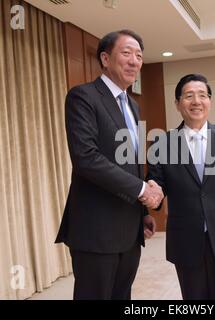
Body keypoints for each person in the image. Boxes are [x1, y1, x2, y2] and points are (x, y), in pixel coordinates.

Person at [55, 30, 163, 300]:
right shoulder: (83, 97)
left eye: (139, 55)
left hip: (128, 230)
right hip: (96, 229)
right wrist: (142, 190)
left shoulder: (134, 107)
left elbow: (132, 163)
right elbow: (86, 158)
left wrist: (142, 214)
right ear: (105, 58)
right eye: (126, 53)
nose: (134, 61)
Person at [145, 74, 215, 300]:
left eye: (202, 95)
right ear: (177, 104)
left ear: (210, 102)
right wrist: (152, 190)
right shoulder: (163, 143)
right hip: (185, 239)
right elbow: (157, 183)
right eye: (188, 96)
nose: (196, 101)